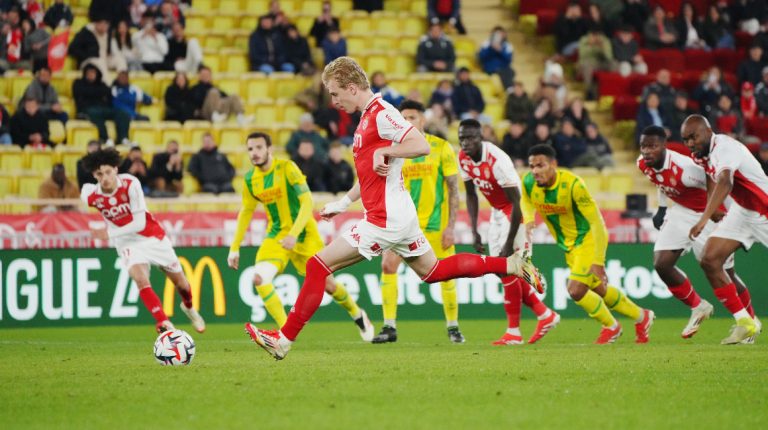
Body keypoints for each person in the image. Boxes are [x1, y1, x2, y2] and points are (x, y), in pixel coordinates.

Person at [244, 57, 542, 360]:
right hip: (397, 215)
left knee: (317, 266)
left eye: (335, 93)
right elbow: (371, 174)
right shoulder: (367, 117)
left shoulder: (382, 113)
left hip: (384, 219)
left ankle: (283, 340)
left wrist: (387, 150)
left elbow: (420, 145)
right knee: (434, 271)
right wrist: (343, 203)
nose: (333, 101)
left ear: (351, 87)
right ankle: (511, 265)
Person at [228, 132, 374, 339]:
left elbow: (307, 202)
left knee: (329, 285)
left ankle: (357, 313)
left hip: (305, 235)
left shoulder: (287, 168)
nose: (254, 153)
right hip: (277, 236)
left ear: (269, 149)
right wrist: (234, 247)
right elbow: (246, 211)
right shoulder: (251, 179)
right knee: (259, 278)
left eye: (259, 147)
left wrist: (294, 234)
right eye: (250, 149)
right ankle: (284, 333)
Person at [522, 144, 655, 344]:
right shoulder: (529, 182)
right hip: (568, 246)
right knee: (600, 290)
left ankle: (611, 327)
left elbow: (597, 222)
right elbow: (526, 200)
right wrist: (528, 217)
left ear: (553, 165)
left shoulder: (574, 185)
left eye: (540, 165)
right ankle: (642, 317)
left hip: (586, 241)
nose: (535, 171)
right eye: (532, 166)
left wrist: (599, 262)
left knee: (575, 290)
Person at [638, 125, 754, 339]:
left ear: (664, 146)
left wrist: (719, 212)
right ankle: (698, 306)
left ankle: (749, 320)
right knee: (661, 263)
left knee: (723, 272)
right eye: (643, 146)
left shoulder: (685, 169)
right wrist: (662, 207)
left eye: (652, 146)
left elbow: (713, 177)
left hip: (707, 214)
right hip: (681, 212)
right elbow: (658, 179)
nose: (646, 151)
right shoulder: (643, 163)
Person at [81, 148, 205, 334]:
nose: (105, 177)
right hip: (126, 242)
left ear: (116, 169)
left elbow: (138, 223)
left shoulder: (131, 184)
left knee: (182, 285)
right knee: (139, 278)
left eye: (108, 172)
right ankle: (164, 322)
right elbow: (84, 195)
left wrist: (109, 233)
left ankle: (188, 307)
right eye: (99, 174)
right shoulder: (91, 195)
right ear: (94, 174)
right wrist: (110, 233)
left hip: (151, 236)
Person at [370, 100, 464, 344]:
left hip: (435, 225)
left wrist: (451, 226)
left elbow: (454, 190)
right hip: (402, 226)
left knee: (447, 274)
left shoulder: (441, 147)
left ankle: (453, 327)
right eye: (403, 118)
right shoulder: (392, 151)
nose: (407, 121)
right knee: (388, 267)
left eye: (412, 117)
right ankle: (389, 327)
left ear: (423, 120)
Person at [458, 119, 559, 345]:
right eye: (462, 138)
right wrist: (474, 229)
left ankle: (514, 331)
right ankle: (544, 313)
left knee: (506, 267)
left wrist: (509, 242)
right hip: (497, 212)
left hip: (515, 212)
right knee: (502, 270)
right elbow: (471, 195)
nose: (466, 142)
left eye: (471, 137)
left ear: (481, 137)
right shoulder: (462, 158)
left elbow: (517, 202)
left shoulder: (497, 160)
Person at [682, 115, 767, 344]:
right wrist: (715, 205)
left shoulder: (725, 148)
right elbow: (713, 180)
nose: (690, 143)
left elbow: (726, 181)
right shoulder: (701, 154)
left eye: (694, 137)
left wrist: (704, 218)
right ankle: (745, 322)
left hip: (763, 209)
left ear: (708, 131)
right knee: (709, 259)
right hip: (742, 211)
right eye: (685, 139)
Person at [73, 64, 130, 145]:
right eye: (89, 73)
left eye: (93, 72)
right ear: (85, 74)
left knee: (122, 113)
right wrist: (98, 93)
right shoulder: (78, 83)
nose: (91, 75)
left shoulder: (101, 84)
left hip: (103, 108)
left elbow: (108, 93)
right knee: (95, 113)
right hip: (87, 109)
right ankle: (105, 138)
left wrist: (94, 92)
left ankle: (123, 138)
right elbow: (80, 93)